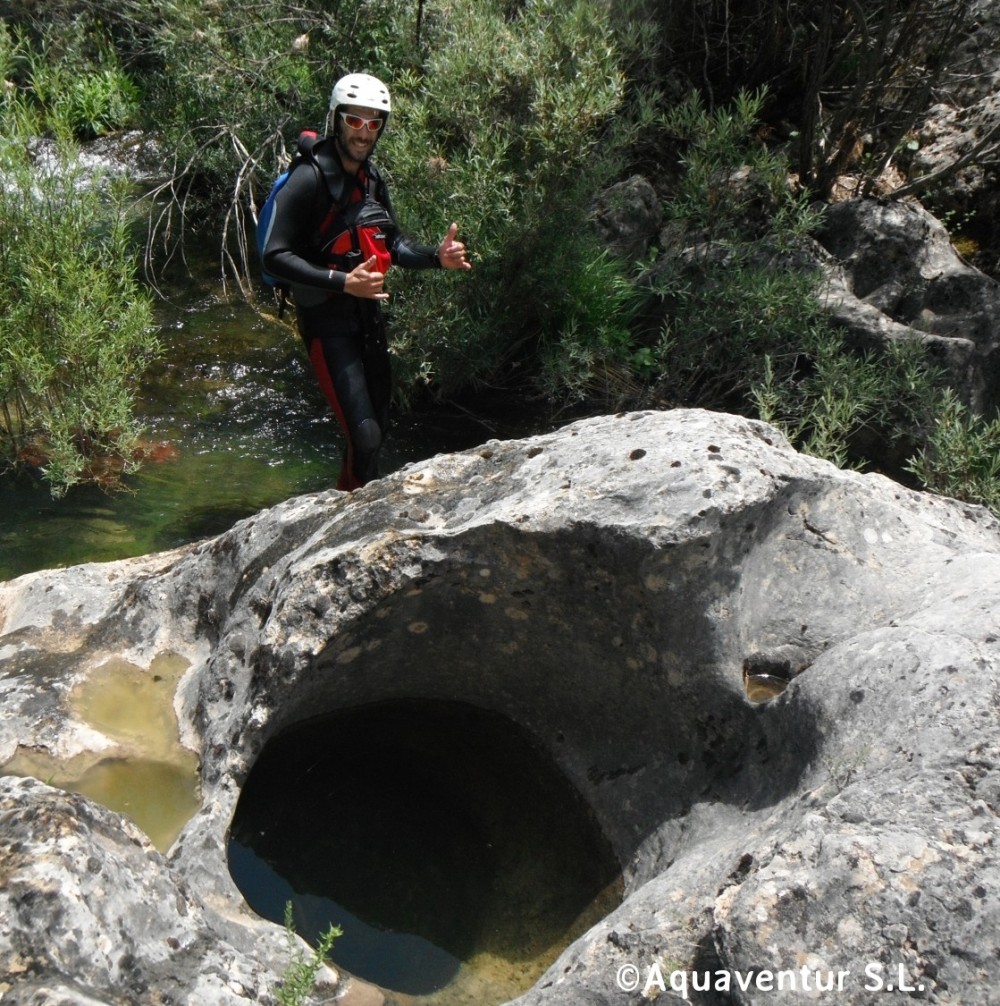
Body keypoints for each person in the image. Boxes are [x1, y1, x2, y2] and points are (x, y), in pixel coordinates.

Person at [261, 72, 471, 491]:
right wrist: (342, 282)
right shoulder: (309, 178)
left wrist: (436, 257)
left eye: (374, 122)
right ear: (336, 119)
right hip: (325, 320)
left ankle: (347, 508)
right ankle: (352, 525)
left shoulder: (372, 180)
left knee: (377, 432)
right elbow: (272, 255)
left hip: (367, 317)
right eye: (355, 120)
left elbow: (393, 242)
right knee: (364, 434)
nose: (363, 132)